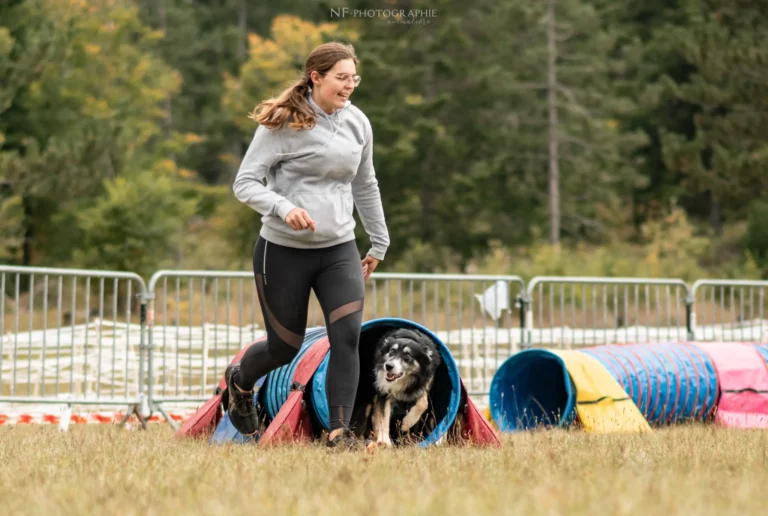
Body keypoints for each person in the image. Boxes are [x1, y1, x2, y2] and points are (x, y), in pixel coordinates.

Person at [227, 42, 390, 450]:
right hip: (282, 250)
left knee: (348, 337)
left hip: (338, 247)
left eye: (354, 78)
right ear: (316, 77)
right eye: (341, 77)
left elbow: (365, 183)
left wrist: (379, 239)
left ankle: (339, 432)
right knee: (285, 346)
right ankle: (240, 384)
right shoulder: (283, 122)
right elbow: (244, 182)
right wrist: (283, 208)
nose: (349, 85)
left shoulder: (358, 123)